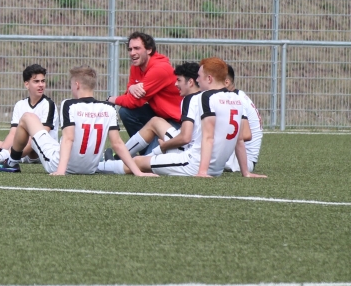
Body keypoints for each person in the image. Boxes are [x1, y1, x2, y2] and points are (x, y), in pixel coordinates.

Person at [104, 57, 266, 178]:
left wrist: (202, 171)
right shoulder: (237, 98)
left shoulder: (204, 98)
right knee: (155, 125)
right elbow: (239, 139)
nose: (197, 80)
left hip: (194, 161)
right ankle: (119, 157)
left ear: (209, 79)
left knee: (138, 162)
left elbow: (197, 137)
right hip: (215, 164)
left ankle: (100, 166)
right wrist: (246, 173)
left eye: (199, 77)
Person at [3, 67, 153, 177]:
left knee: (27, 117)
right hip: (90, 169)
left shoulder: (69, 104)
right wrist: (138, 172)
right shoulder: (109, 108)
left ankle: (11, 162)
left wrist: (61, 171)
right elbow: (118, 144)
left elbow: (68, 139)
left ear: (77, 85)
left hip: (62, 164)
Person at [107, 32, 182, 154]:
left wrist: (111, 99)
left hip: (176, 121)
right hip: (159, 115)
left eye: (137, 48)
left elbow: (133, 101)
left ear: (149, 50)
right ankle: (141, 153)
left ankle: (136, 156)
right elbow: (128, 96)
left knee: (150, 160)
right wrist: (131, 88)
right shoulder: (135, 67)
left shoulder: (159, 69)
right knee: (126, 112)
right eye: (130, 49)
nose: (132, 53)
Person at [115, 61, 201, 158]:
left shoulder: (190, 100)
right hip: (196, 149)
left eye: (179, 80)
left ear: (190, 82)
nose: (176, 84)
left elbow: (185, 138)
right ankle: (122, 156)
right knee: (155, 121)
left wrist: (164, 146)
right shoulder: (205, 97)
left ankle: (120, 159)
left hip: (189, 153)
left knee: (141, 162)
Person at [0, 63, 56, 165]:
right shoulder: (20, 104)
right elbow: (13, 133)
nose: (41, 85)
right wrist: (3, 148)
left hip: (40, 153)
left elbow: (41, 138)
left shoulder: (49, 104)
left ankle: (4, 156)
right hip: (22, 150)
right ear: (26, 84)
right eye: (36, 81)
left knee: (33, 137)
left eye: (43, 81)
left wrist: (4, 154)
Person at [224, 64, 263, 173]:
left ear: (226, 82)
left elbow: (246, 135)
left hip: (243, 160)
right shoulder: (236, 96)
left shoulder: (236, 99)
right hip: (240, 157)